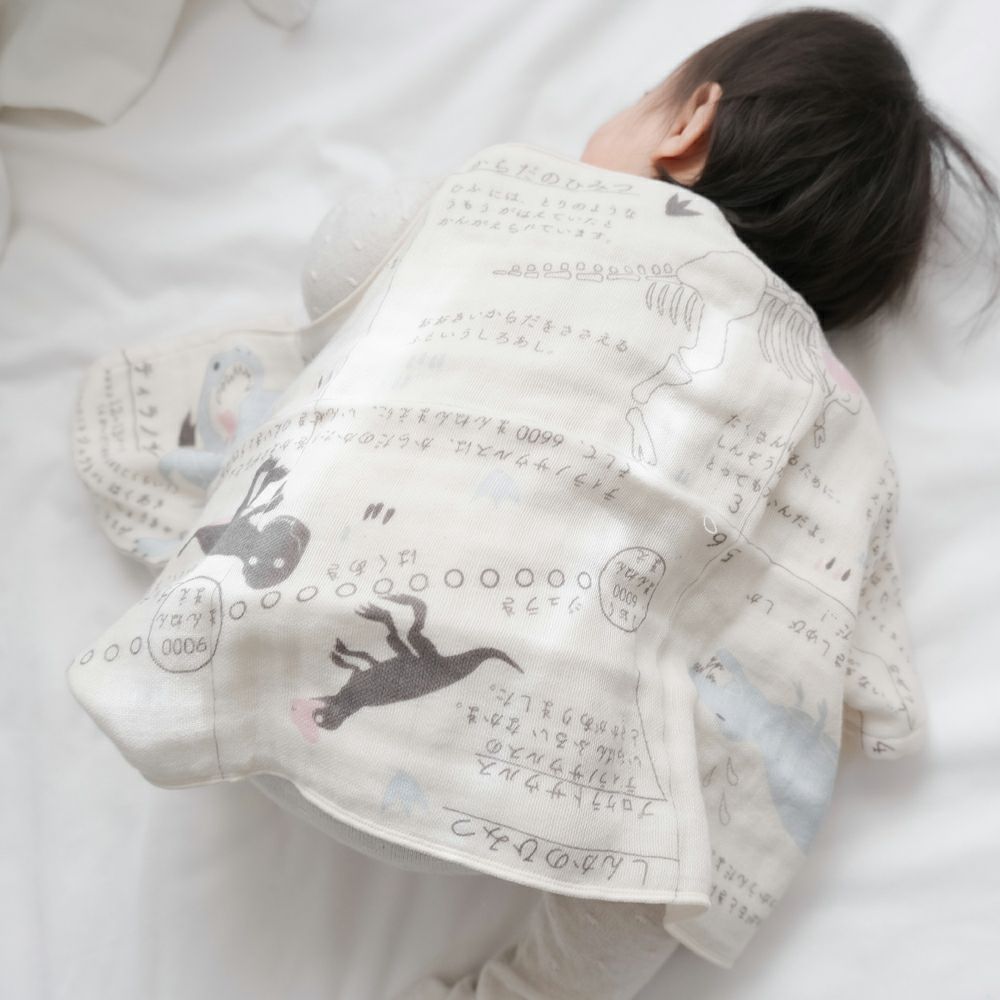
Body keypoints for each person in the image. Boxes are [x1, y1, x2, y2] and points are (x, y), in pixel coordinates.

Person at [67, 8, 999, 1000]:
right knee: (691, 804)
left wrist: (428, 216)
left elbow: (335, 272)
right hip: (525, 813)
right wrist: (875, 682)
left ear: (688, 126)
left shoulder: (515, 198)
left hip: (250, 691)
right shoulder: (824, 403)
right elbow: (829, 594)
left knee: (339, 418)